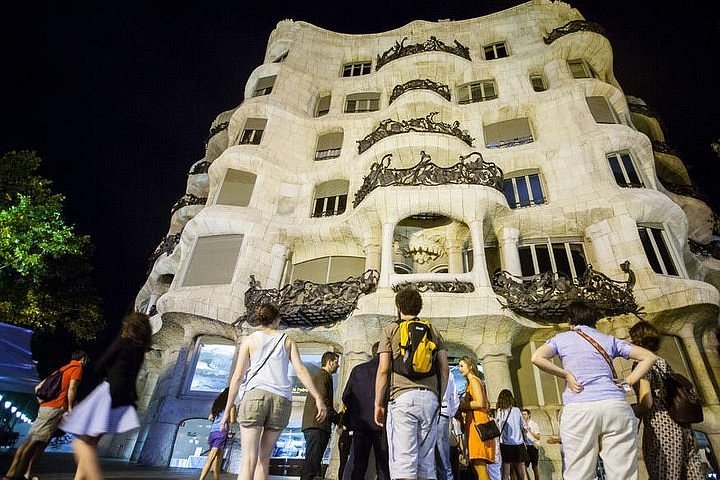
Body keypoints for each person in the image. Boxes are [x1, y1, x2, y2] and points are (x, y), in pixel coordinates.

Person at [531, 300, 657, 480]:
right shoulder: (609, 340)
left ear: (570, 320)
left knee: (579, 474)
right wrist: (627, 381)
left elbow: (537, 357)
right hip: (615, 406)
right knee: (623, 474)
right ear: (593, 320)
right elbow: (648, 357)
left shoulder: (561, 338)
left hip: (580, 409)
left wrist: (566, 374)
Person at [220, 303, 327, 480]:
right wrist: (317, 397)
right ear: (277, 319)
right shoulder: (287, 340)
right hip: (281, 399)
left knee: (248, 460)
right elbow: (300, 370)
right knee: (264, 459)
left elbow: (238, 376)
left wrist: (227, 411)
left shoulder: (250, 340)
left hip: (255, 395)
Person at [61, 311, 152, 480]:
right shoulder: (140, 350)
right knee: (92, 442)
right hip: (125, 397)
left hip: (110, 392)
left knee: (80, 442)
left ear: (129, 326)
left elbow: (101, 364)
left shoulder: (123, 341)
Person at [374, 288, 449, 480]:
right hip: (430, 399)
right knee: (426, 463)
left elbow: (383, 369)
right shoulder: (432, 330)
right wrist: (439, 398)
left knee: (404, 462)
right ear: (419, 307)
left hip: (402, 399)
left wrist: (378, 403)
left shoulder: (391, 329)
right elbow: (444, 369)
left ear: (398, 306)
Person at [628, 320, 705, 480]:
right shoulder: (662, 362)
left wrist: (631, 409)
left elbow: (647, 402)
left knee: (665, 475)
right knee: (693, 474)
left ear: (637, 342)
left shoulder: (643, 364)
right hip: (683, 426)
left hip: (662, 429)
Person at [3, 350, 87, 480]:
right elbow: (72, 389)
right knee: (34, 443)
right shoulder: (77, 368)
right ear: (83, 359)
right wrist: (70, 408)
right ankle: (15, 475)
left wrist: (42, 401)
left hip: (45, 408)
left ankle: (22, 474)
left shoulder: (63, 368)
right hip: (56, 408)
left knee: (36, 442)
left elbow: (38, 388)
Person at [342, 342, 390, 480]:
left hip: (360, 425)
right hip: (381, 425)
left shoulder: (358, 370)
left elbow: (346, 396)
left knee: (359, 465)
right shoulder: (389, 371)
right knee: (383, 466)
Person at [300, 351, 341, 480]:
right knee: (311, 464)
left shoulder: (321, 376)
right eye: (336, 363)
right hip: (317, 425)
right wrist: (339, 419)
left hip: (315, 425)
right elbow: (324, 402)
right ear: (329, 362)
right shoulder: (323, 376)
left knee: (313, 463)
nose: (338, 366)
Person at [457, 356, 495, 480]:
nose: (459, 369)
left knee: (480, 465)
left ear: (470, 366)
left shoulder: (473, 380)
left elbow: (480, 402)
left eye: (462, 366)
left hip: (478, 424)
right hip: (475, 423)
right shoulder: (472, 381)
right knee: (478, 465)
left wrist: (463, 405)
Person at [199, 387, 236, 480]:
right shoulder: (231, 405)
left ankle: (217, 478)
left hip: (213, 432)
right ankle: (201, 478)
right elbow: (232, 420)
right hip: (221, 432)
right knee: (211, 458)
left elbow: (210, 417)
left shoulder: (217, 404)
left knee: (217, 459)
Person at [495, 389, 527, 480]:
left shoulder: (499, 412)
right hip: (518, 443)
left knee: (506, 471)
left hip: (505, 444)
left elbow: (497, 427)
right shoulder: (516, 410)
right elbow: (523, 425)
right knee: (522, 470)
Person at [437, 369, 460, 480]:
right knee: (443, 455)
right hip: (443, 413)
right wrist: (449, 414)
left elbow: (455, 400)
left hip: (438, 413)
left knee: (439, 455)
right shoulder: (448, 373)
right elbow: (455, 400)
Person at [521, 409, 541, 480]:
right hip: (526, 447)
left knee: (534, 466)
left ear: (529, 415)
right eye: (522, 414)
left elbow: (538, 437)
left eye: (525, 414)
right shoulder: (522, 425)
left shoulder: (534, 424)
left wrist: (530, 431)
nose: (523, 416)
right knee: (524, 467)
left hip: (533, 446)